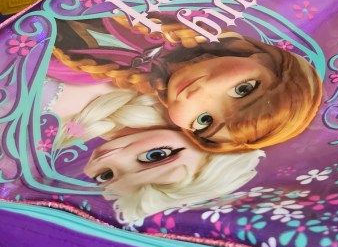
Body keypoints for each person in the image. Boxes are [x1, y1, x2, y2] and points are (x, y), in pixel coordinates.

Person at [49, 14, 323, 153]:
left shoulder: (91, 78)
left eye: (204, 121)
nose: (198, 96)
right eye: (243, 90)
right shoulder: (191, 13)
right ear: (264, 58)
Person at [48, 87, 264, 224]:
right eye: (155, 156)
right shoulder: (175, 83)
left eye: (106, 175)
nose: (107, 158)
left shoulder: (65, 131)